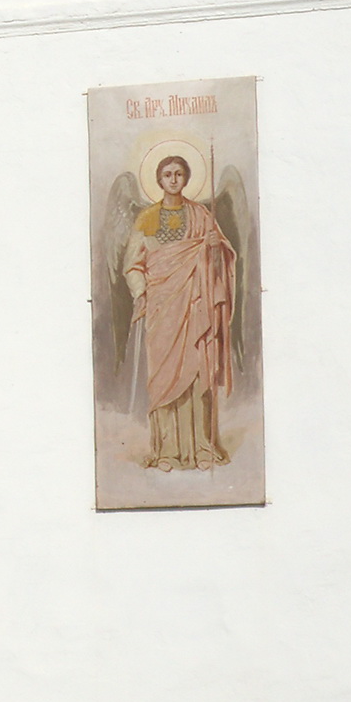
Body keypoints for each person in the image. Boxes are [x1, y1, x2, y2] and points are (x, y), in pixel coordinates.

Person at [123, 153, 240, 469]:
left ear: (186, 178)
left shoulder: (202, 215)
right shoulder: (147, 218)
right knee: (163, 377)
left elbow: (220, 260)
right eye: (167, 175)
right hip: (162, 308)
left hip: (194, 306)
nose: (173, 179)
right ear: (159, 180)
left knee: (197, 374)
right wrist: (141, 292)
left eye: (178, 174)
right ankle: (167, 451)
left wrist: (216, 248)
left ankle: (202, 447)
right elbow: (133, 264)